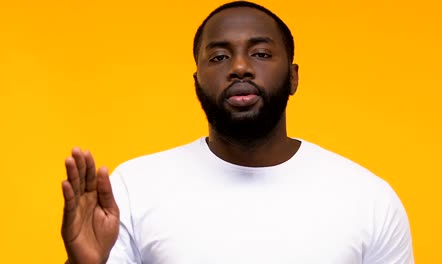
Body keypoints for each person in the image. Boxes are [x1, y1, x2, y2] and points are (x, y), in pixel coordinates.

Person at [61, 1, 414, 263]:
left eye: (260, 53)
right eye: (218, 58)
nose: (240, 67)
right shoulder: (133, 188)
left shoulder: (368, 199)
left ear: (293, 77)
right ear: (196, 80)